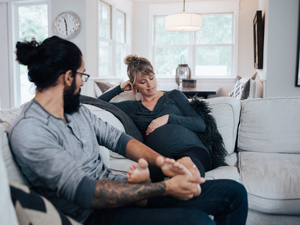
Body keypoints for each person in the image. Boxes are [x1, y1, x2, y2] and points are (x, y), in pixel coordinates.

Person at [9, 36, 248, 225]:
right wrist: (162, 187)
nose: (83, 82)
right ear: (68, 77)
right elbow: (84, 193)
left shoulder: (74, 109)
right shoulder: (31, 131)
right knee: (197, 221)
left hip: (126, 192)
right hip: (93, 214)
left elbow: (118, 140)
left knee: (234, 193)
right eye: (82, 74)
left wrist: (162, 164)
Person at [98, 54, 211, 181]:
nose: (149, 84)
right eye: (142, 82)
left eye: (151, 78)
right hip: (159, 156)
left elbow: (200, 124)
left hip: (191, 149)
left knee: (189, 168)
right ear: (134, 86)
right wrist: (119, 88)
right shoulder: (132, 107)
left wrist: (169, 118)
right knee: (152, 175)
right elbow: (96, 103)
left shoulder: (174, 96)